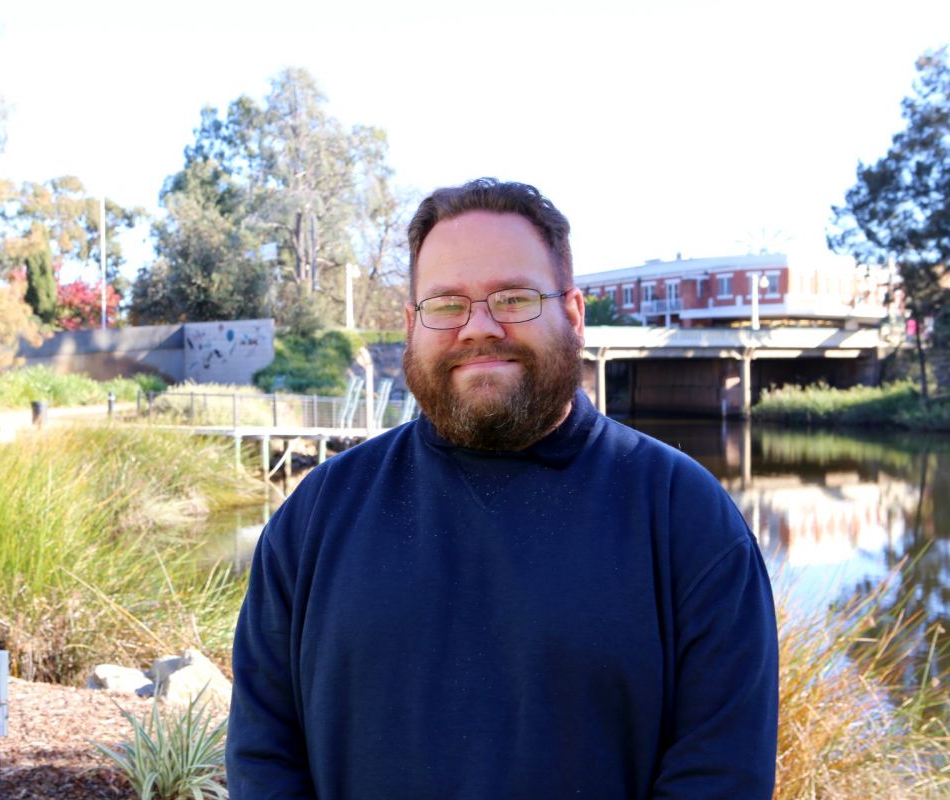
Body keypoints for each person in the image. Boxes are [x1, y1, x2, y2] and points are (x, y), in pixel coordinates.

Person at [227, 178, 779, 799]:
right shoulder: (317, 516)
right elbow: (263, 754)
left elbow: (720, 778)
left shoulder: (687, 521)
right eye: (446, 304)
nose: (477, 328)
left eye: (513, 298)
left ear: (572, 314)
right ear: (412, 324)